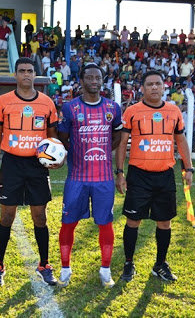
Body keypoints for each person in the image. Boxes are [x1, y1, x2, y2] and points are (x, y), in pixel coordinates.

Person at [115, 71, 193, 283]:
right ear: (142, 88)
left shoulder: (174, 111)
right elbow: (122, 144)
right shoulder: (132, 111)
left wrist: (189, 168)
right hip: (138, 175)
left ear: (163, 86)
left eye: (158, 84)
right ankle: (129, 263)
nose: (154, 88)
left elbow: (181, 141)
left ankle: (160, 265)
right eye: (149, 84)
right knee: (133, 221)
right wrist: (120, 173)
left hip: (165, 175)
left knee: (164, 222)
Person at [0, 57, 60, 287]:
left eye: (30, 71)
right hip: (11, 165)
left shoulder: (47, 103)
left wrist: (56, 157)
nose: (26, 74)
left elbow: (52, 137)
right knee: (6, 216)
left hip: (37, 166)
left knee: (40, 216)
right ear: (15, 74)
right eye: (22, 71)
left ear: (35, 74)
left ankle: (44, 265)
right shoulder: (3, 101)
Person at [57, 64, 122, 288]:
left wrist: (103, 152)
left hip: (103, 178)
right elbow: (63, 138)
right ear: (81, 80)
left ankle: (105, 269)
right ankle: (65, 268)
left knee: (106, 224)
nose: (94, 80)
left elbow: (116, 137)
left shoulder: (113, 107)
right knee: (68, 223)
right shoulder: (69, 108)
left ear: (102, 80)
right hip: (76, 178)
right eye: (89, 77)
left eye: (98, 77)